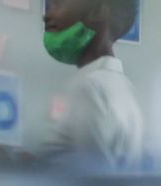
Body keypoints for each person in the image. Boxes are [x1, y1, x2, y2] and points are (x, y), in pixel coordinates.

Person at [40, 0, 144, 171]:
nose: (47, 15)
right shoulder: (125, 86)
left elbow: (94, 182)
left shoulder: (89, 87)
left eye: (58, 3)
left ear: (98, 12)